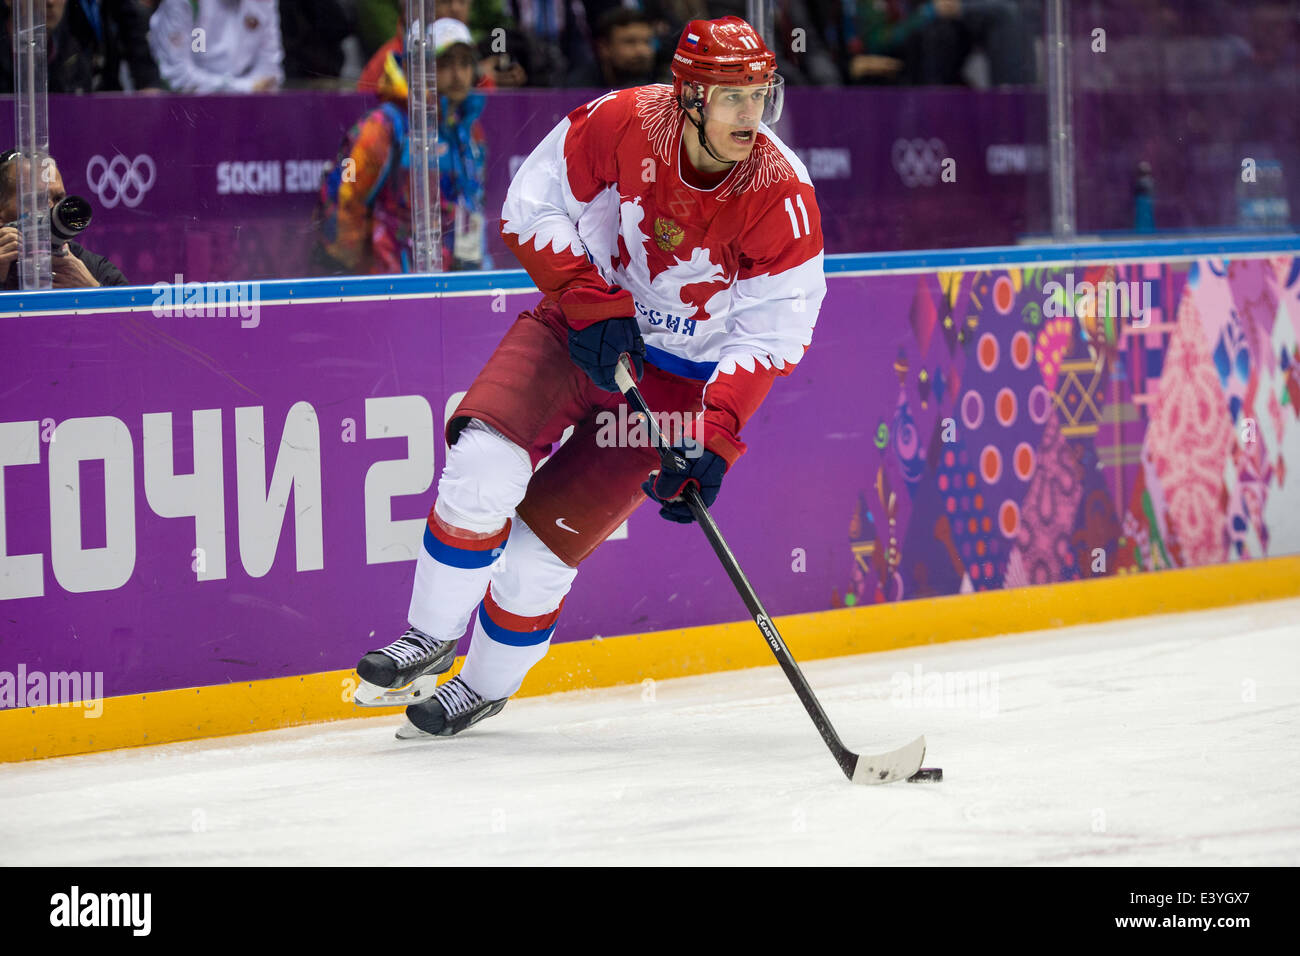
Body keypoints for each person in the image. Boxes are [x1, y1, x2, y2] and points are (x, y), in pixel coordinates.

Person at [352, 16, 826, 738]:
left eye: (760, 95)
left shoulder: (781, 192)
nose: (750, 115)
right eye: (732, 97)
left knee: (539, 553)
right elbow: (529, 203)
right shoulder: (624, 119)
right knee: (482, 462)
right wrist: (587, 297)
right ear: (689, 96)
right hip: (581, 327)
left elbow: (776, 330)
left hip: (673, 386)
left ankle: (480, 685)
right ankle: (430, 634)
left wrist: (717, 435)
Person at [0, 152, 127, 289]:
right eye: (36, 200)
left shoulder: (86, 266)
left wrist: (92, 290)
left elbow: (132, 308)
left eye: (58, 199)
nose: (51, 210)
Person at [147, 0, 284, 93]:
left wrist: (254, 86)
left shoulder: (264, 2)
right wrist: (246, 87)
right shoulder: (184, 3)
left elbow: (269, 68)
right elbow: (177, 75)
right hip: (189, 105)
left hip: (247, 104)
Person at [566, 7, 662, 89]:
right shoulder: (577, 89)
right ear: (604, 48)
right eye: (630, 42)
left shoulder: (658, 86)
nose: (642, 51)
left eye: (647, 42)